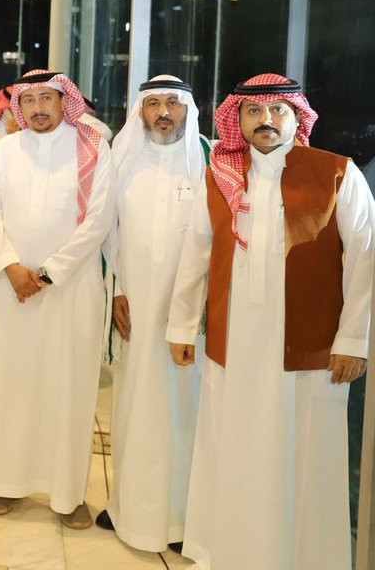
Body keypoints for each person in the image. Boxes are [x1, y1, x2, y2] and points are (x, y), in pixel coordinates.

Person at [167, 73, 374, 569]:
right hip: (234, 344)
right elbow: (196, 253)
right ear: (237, 120)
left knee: (304, 454)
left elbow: (366, 257)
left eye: (278, 110)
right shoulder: (220, 177)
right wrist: (182, 326)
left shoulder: (337, 173)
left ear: (298, 117)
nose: (266, 120)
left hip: (308, 349)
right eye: (254, 111)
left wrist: (353, 340)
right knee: (233, 448)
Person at [0, 69, 115, 528]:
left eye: (46, 99)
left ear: (63, 102)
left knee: (67, 390)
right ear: (18, 107)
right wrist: (11, 267)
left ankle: (67, 494)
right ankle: (2, 482)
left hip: (70, 289)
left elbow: (99, 219)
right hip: (10, 287)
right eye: (29, 100)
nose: (37, 108)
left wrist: (49, 273)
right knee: (8, 385)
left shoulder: (93, 147)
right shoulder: (6, 149)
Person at [97, 74, 207, 550]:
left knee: (186, 409)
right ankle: (127, 507)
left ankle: (182, 521)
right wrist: (116, 291)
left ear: (188, 110)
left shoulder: (208, 159)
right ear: (139, 110)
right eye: (153, 103)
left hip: (191, 310)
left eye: (173, 103)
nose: (163, 112)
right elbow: (105, 230)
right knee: (132, 404)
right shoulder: (121, 158)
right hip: (136, 305)